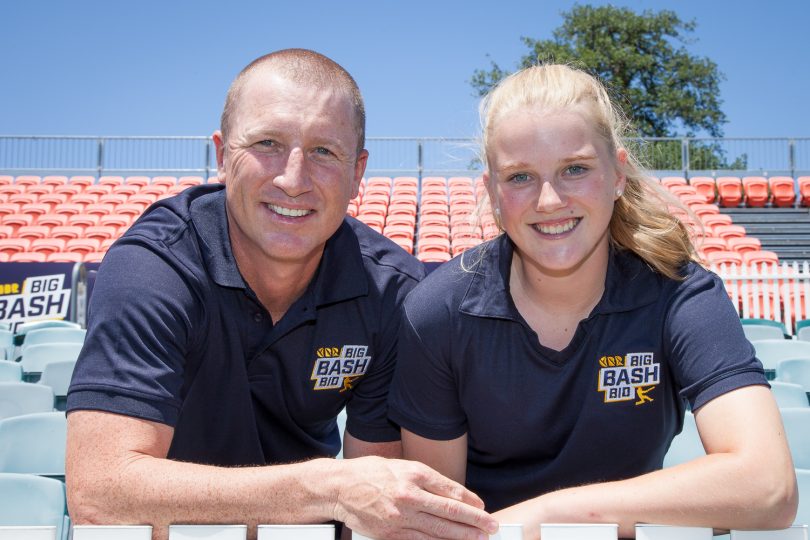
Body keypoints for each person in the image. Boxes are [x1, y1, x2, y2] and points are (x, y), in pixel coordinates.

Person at [65, 49, 498, 540]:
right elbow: (99, 495)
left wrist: (335, 495)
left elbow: (382, 510)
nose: (293, 180)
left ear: (358, 173)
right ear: (223, 155)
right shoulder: (153, 267)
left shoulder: (393, 293)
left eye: (323, 151)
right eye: (267, 143)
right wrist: (327, 488)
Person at [388, 63, 798, 539]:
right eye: (520, 176)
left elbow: (769, 488)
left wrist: (547, 515)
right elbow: (440, 516)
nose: (548, 200)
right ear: (493, 195)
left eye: (575, 169)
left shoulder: (681, 294)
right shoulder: (438, 313)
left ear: (618, 174)